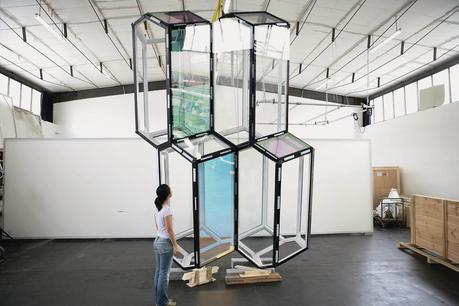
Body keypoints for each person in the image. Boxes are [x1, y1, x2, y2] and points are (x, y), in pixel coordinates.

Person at [154, 184, 179, 306]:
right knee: (164, 274)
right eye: (170, 189)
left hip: (158, 240)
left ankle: (159, 302)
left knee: (159, 272)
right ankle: (162, 303)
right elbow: (169, 229)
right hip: (165, 243)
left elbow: (158, 227)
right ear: (168, 194)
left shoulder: (159, 208)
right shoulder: (167, 209)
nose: (172, 190)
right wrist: (175, 245)